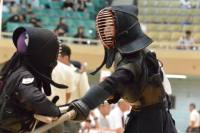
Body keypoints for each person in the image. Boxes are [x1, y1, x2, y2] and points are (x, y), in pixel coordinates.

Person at [67, 5, 177, 133]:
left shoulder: (136, 54)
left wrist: (87, 101)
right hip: (139, 114)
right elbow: (123, 85)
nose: (106, 30)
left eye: (111, 26)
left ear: (124, 26)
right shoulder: (124, 54)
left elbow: (116, 80)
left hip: (153, 120)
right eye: (105, 26)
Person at [0, 27, 68, 133]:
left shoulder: (16, 69)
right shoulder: (24, 75)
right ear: (42, 54)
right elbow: (32, 97)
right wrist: (53, 110)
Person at [58, 44, 90, 133]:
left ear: (66, 58)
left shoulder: (79, 74)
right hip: (56, 114)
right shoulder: (54, 72)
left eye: (58, 59)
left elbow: (86, 98)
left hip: (72, 115)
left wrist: (88, 119)